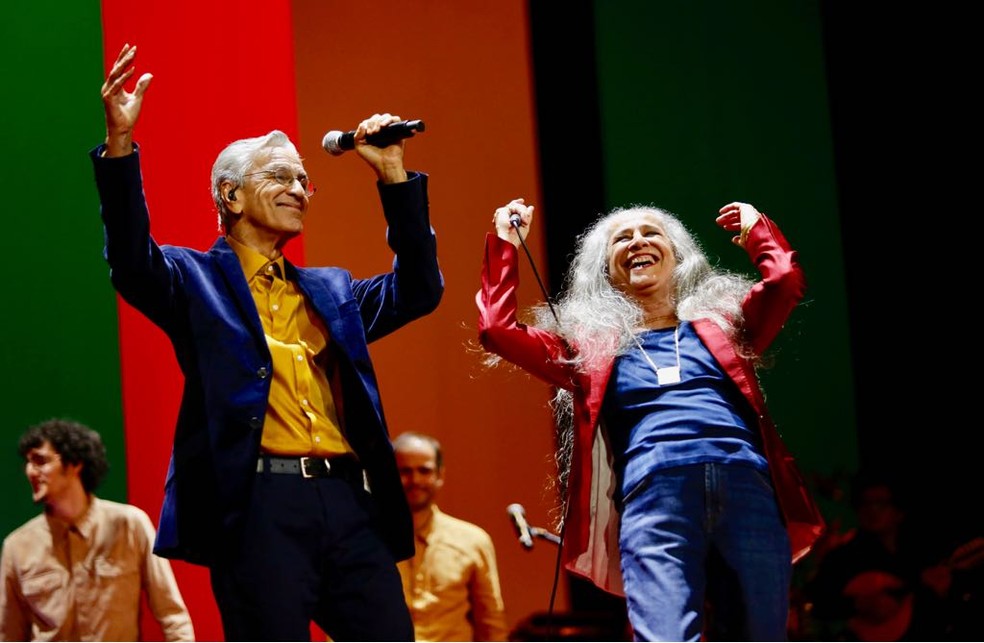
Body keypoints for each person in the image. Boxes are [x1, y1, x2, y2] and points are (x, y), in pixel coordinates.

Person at [91, 43, 443, 641]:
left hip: (349, 501)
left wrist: (393, 176)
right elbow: (130, 260)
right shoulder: (193, 282)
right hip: (259, 505)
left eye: (305, 179)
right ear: (229, 197)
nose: (300, 188)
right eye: (280, 176)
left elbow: (418, 290)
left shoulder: (332, 291)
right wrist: (121, 145)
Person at [476, 197, 824, 641]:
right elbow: (496, 330)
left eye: (650, 233)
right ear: (606, 272)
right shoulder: (589, 348)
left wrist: (760, 232)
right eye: (621, 238)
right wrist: (506, 245)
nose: (637, 240)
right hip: (654, 497)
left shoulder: (726, 326)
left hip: (747, 487)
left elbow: (785, 282)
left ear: (677, 257)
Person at [0, 418, 195, 641]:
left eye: (40, 461)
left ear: (75, 464)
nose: (30, 472)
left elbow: (172, 617)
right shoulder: (17, 546)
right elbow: (9, 635)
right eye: (28, 463)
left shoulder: (129, 525)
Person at [803, 470, 973, 641]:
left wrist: (940, 592)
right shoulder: (843, 558)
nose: (872, 511)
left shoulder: (920, 554)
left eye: (880, 504)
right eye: (865, 504)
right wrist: (856, 604)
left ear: (899, 512)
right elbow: (816, 601)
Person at [392, 431, 509, 642]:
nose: (415, 479)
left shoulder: (472, 540)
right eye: (405, 471)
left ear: (440, 476)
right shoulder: (370, 540)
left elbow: (491, 622)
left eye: (424, 470)